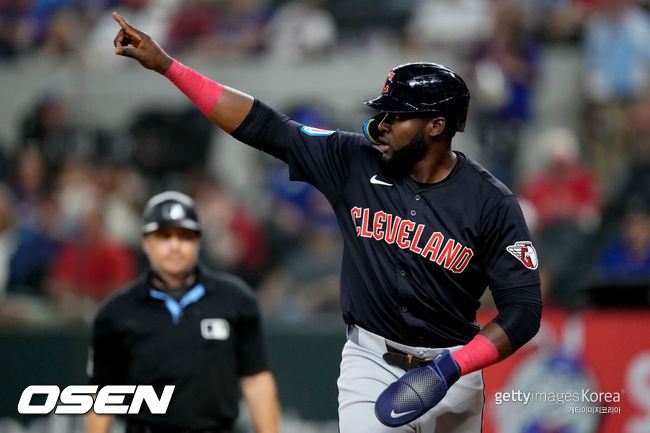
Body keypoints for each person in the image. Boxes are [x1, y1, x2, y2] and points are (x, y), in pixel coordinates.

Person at [110, 13, 542, 433]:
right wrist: (167, 66)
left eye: (397, 116)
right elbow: (263, 125)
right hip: (372, 362)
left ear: (436, 126)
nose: (383, 125)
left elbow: (524, 311)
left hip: (455, 369)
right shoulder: (351, 160)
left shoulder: (491, 203)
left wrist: (453, 367)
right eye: (384, 113)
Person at [86, 191, 280, 433]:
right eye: (164, 236)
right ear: (147, 243)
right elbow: (103, 393)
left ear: (197, 241)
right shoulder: (117, 312)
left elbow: (256, 379)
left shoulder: (235, 300)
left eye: (184, 236)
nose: (174, 246)